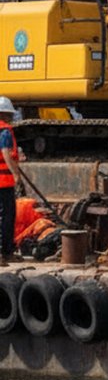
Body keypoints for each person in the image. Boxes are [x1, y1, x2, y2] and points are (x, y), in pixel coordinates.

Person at [0, 97, 22, 265]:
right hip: (4, 182)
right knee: (6, 217)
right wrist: (16, 174)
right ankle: (5, 253)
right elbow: (6, 154)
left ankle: (6, 252)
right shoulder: (5, 132)